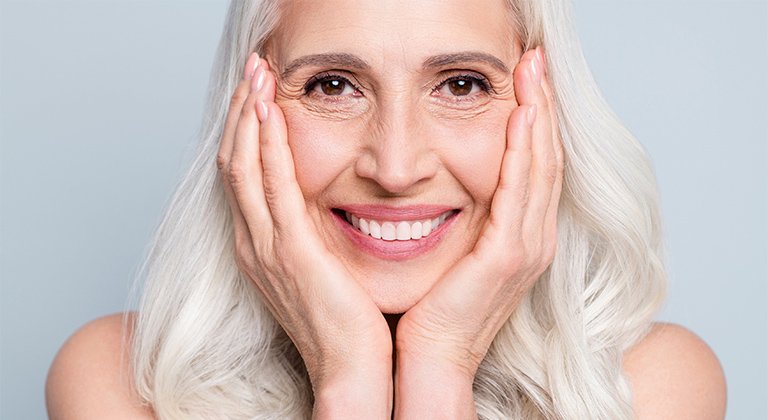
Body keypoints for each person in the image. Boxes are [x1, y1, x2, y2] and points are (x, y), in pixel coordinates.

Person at [45, 0, 727, 418]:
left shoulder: (648, 389)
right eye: (333, 85)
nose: (396, 168)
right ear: (247, 115)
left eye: (460, 85)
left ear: (546, 112)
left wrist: (441, 361)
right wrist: (346, 374)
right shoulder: (123, 382)